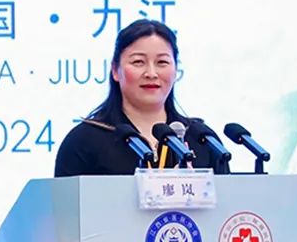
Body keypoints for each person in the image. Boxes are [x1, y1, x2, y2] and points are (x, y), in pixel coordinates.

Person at [54, 19, 229, 177]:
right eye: (138, 62)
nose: (151, 73)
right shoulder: (84, 141)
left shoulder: (202, 139)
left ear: (176, 70)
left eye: (162, 62)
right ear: (115, 70)